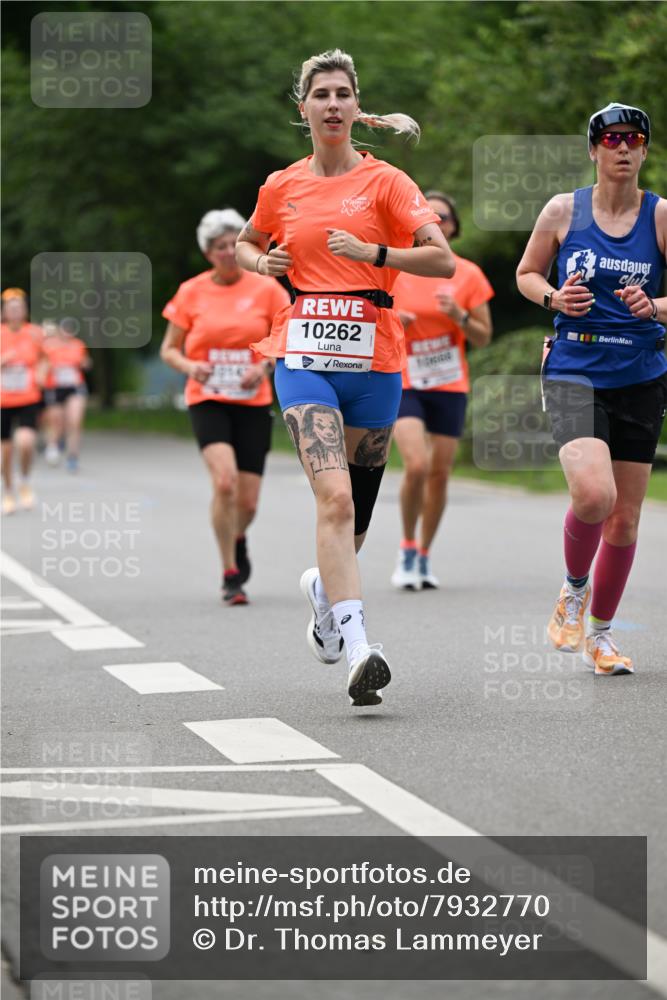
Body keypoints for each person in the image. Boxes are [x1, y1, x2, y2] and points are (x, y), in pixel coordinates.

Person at [236, 49, 455, 705]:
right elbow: (249, 241)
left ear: (357, 108)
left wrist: (374, 253)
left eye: (342, 94)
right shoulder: (281, 185)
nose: (332, 104)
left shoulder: (386, 182)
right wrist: (260, 264)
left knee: (353, 521)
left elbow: (441, 261)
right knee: (331, 501)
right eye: (320, 95)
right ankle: (361, 650)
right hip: (302, 356)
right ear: (302, 108)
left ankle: (323, 596)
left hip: (375, 362)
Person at [516, 102, 666, 676]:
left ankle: (600, 635)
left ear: (645, 150)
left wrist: (652, 306)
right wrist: (554, 297)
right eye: (611, 139)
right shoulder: (563, 210)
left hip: (641, 375)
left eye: (633, 139)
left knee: (625, 519)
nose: (622, 148)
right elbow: (527, 275)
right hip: (575, 368)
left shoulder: (660, 217)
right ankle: (573, 589)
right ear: (594, 150)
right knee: (594, 496)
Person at [161, 208, 289, 605]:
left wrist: (265, 366)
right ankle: (230, 571)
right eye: (218, 247)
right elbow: (169, 350)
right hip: (208, 398)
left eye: (232, 245)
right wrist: (190, 366)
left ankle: (237, 535)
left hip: (252, 400)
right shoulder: (191, 292)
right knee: (225, 482)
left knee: (248, 502)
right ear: (207, 252)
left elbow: (285, 338)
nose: (227, 253)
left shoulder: (267, 288)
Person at [391, 192, 494, 590]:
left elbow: (483, 337)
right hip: (404, 379)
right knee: (416, 465)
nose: (437, 221)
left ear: (452, 227)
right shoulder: (395, 269)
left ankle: (423, 554)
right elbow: (369, 317)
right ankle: (405, 546)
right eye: (429, 214)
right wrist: (392, 317)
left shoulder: (466, 274)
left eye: (444, 217)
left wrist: (460, 316)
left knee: (439, 475)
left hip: (450, 382)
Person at [1, 289, 46, 514]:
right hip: (3, 400)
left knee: (26, 441)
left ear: (25, 310)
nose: (15, 311)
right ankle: (8, 492)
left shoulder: (35, 333)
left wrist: (41, 374)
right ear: (4, 312)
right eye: (11, 307)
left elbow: (46, 359)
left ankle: (25, 480)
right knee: (5, 452)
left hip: (28, 396)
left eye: (19, 307)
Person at [42, 318, 91, 471]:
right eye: (65, 328)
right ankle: (53, 445)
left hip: (75, 387)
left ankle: (72, 456)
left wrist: (84, 363)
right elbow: (40, 365)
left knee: (75, 421)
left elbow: (87, 363)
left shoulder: (78, 345)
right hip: (55, 387)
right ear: (59, 330)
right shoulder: (49, 346)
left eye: (71, 329)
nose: (68, 332)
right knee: (56, 422)